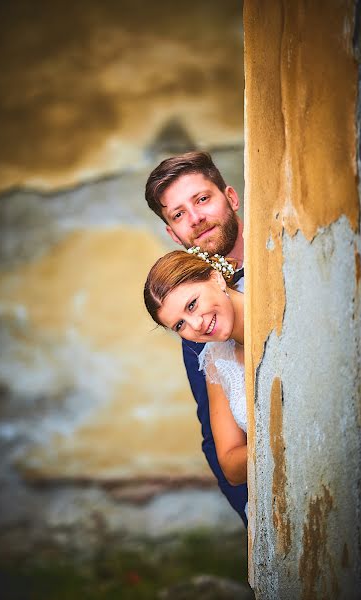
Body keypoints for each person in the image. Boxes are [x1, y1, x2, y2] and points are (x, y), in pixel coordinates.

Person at [145, 152, 248, 525]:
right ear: (173, 234)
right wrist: (255, 516)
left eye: (202, 199)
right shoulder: (197, 330)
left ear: (231, 198)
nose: (196, 219)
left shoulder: (291, 257)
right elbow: (214, 435)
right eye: (178, 214)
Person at [144, 247, 247, 488]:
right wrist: (276, 441)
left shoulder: (276, 303)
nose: (196, 325)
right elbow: (230, 465)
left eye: (191, 305)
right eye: (180, 325)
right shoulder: (216, 360)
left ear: (216, 278)